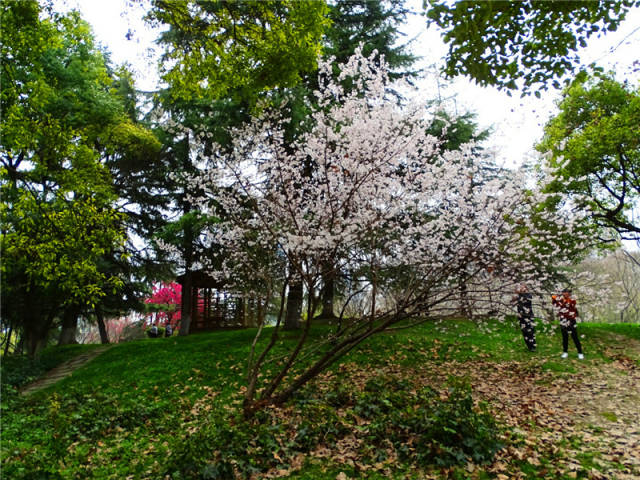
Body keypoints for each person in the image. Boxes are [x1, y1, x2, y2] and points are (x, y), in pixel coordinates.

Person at [552, 288, 584, 359]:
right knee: (564, 336)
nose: (565, 294)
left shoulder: (572, 300)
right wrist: (556, 296)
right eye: (563, 292)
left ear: (569, 294)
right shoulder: (560, 300)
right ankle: (565, 352)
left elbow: (571, 306)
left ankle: (580, 352)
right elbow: (554, 301)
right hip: (563, 319)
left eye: (566, 292)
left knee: (574, 336)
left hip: (571, 320)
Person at [513, 284, 536, 352]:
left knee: (530, 331)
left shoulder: (528, 295)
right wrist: (515, 295)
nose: (521, 288)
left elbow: (525, 301)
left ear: (526, 288)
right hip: (521, 316)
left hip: (529, 315)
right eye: (520, 287)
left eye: (522, 287)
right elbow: (512, 302)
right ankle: (529, 346)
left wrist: (518, 295)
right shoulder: (518, 295)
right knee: (524, 331)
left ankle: (533, 346)